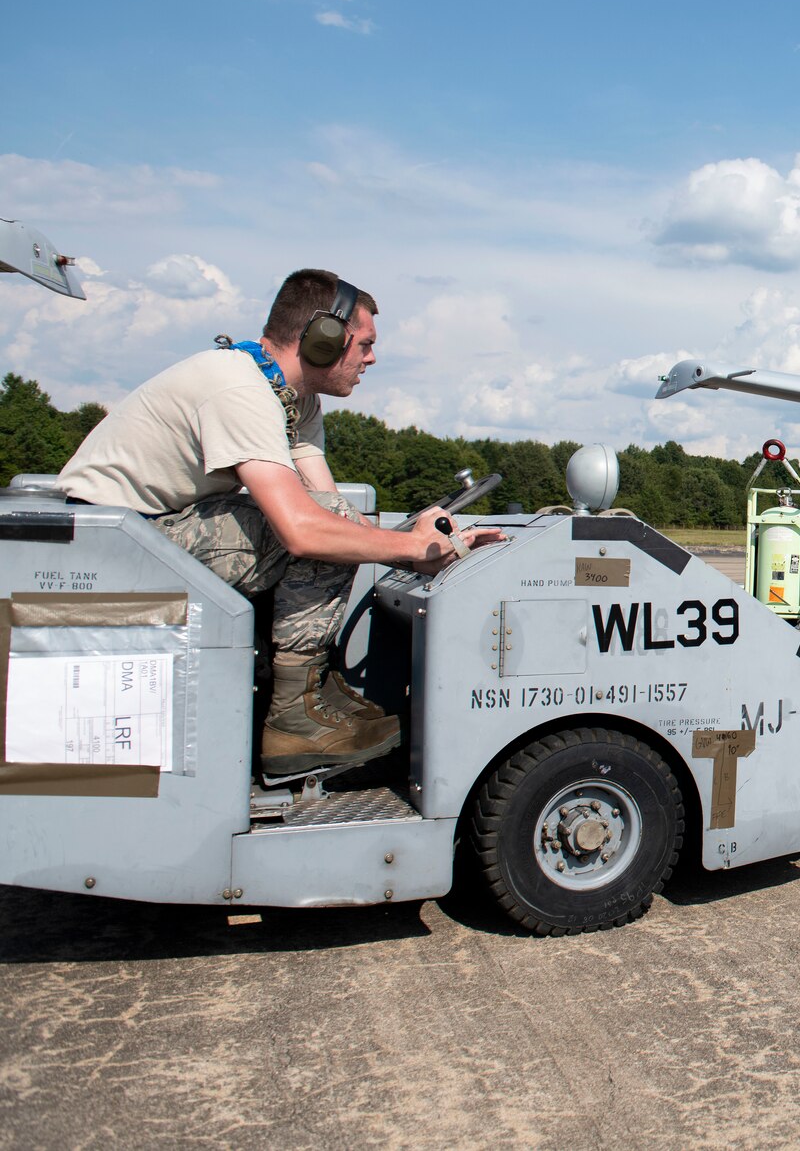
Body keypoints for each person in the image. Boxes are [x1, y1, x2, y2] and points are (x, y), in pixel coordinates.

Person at [59, 270, 504, 776]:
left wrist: (436, 544)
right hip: (110, 548)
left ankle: (308, 684)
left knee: (336, 527)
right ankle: (294, 712)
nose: (372, 360)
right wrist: (406, 551)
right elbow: (303, 529)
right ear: (323, 338)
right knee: (323, 529)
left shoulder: (292, 397)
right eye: (364, 345)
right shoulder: (239, 389)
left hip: (147, 534)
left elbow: (335, 513)